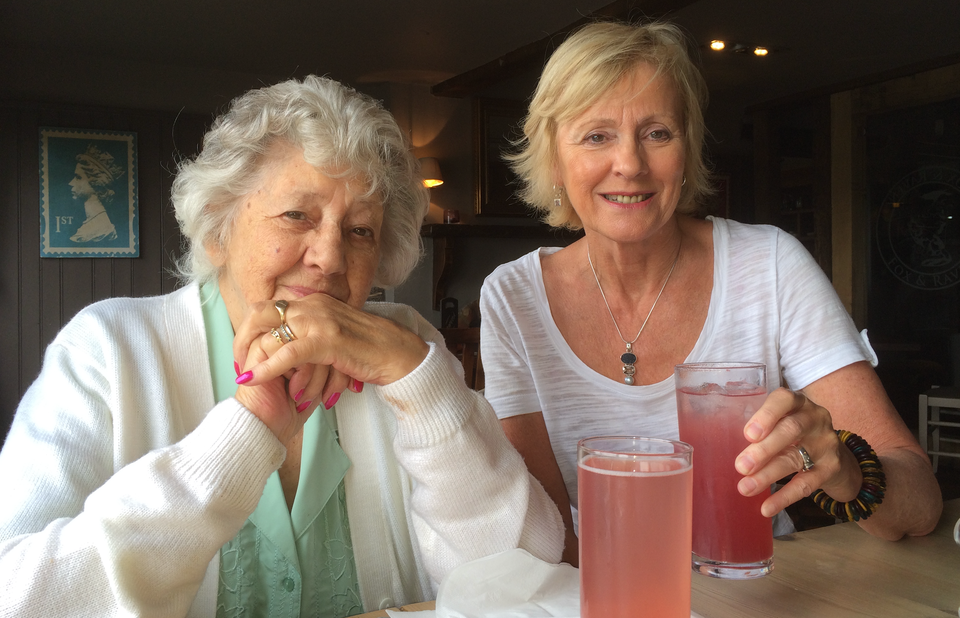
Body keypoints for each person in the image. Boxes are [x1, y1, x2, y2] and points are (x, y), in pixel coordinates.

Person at [0, 75, 564, 617]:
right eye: (297, 215)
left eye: (360, 230)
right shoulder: (108, 348)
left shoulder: (407, 345)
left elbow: (530, 576)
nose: (331, 258)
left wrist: (425, 387)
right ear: (220, 225)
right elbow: (16, 596)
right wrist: (244, 435)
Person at [479, 20, 942, 567]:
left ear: (688, 148)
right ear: (555, 158)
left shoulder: (769, 264)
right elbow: (548, 535)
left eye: (657, 133)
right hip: (600, 588)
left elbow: (922, 506)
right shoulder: (512, 297)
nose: (630, 164)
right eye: (596, 135)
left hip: (757, 589)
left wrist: (844, 469)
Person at [69, 144, 120, 242]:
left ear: (96, 183)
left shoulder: (102, 228)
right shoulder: (94, 223)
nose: (71, 183)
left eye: (78, 177)